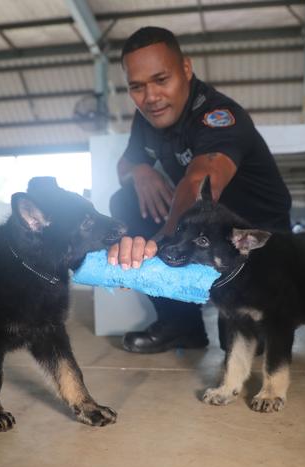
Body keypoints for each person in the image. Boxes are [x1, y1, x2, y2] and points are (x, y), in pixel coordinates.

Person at [107, 26, 292, 353]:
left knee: (239, 341)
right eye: (137, 87)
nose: (150, 97)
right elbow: (124, 165)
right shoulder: (146, 119)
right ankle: (182, 326)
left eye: (161, 80)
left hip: (256, 235)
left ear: (187, 69)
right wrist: (140, 171)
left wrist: (160, 242)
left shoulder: (221, 116)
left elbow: (198, 184)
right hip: (208, 227)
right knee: (125, 201)